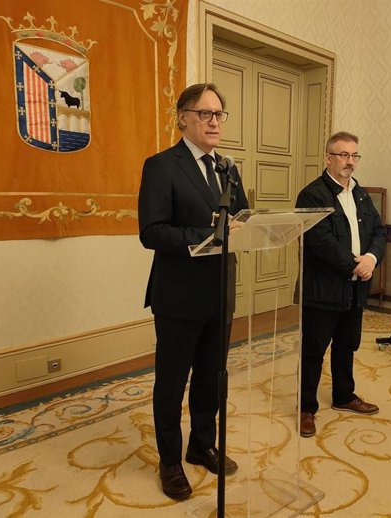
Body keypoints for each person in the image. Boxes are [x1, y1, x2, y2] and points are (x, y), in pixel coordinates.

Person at [138, 83, 249, 500]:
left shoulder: (228, 168)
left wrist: (246, 227)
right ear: (182, 116)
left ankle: (201, 444)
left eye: (220, 114)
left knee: (211, 378)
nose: (215, 121)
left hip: (220, 290)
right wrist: (210, 234)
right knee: (172, 383)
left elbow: (240, 217)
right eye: (205, 114)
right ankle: (169, 461)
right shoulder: (161, 166)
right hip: (179, 295)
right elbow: (151, 232)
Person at [295, 131, 386, 438]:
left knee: (347, 344)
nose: (350, 162)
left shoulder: (360, 193)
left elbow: (378, 231)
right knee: (313, 349)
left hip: (354, 287)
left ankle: (344, 396)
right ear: (328, 158)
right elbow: (320, 241)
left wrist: (372, 258)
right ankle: (306, 407)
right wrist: (356, 265)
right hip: (323, 288)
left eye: (354, 156)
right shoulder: (312, 195)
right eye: (343, 155)